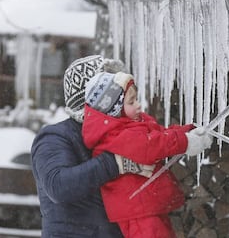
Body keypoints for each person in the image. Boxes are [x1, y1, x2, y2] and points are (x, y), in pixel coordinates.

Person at [30, 55, 212, 238]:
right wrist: (115, 163)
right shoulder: (55, 137)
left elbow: (156, 139)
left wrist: (186, 136)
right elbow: (58, 186)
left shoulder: (121, 132)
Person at [81, 71, 212, 238]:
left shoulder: (132, 124)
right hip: (137, 213)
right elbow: (150, 146)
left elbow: (161, 134)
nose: (138, 105)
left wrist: (187, 131)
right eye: (131, 102)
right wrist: (185, 142)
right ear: (114, 109)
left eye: (136, 99)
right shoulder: (116, 136)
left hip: (147, 207)